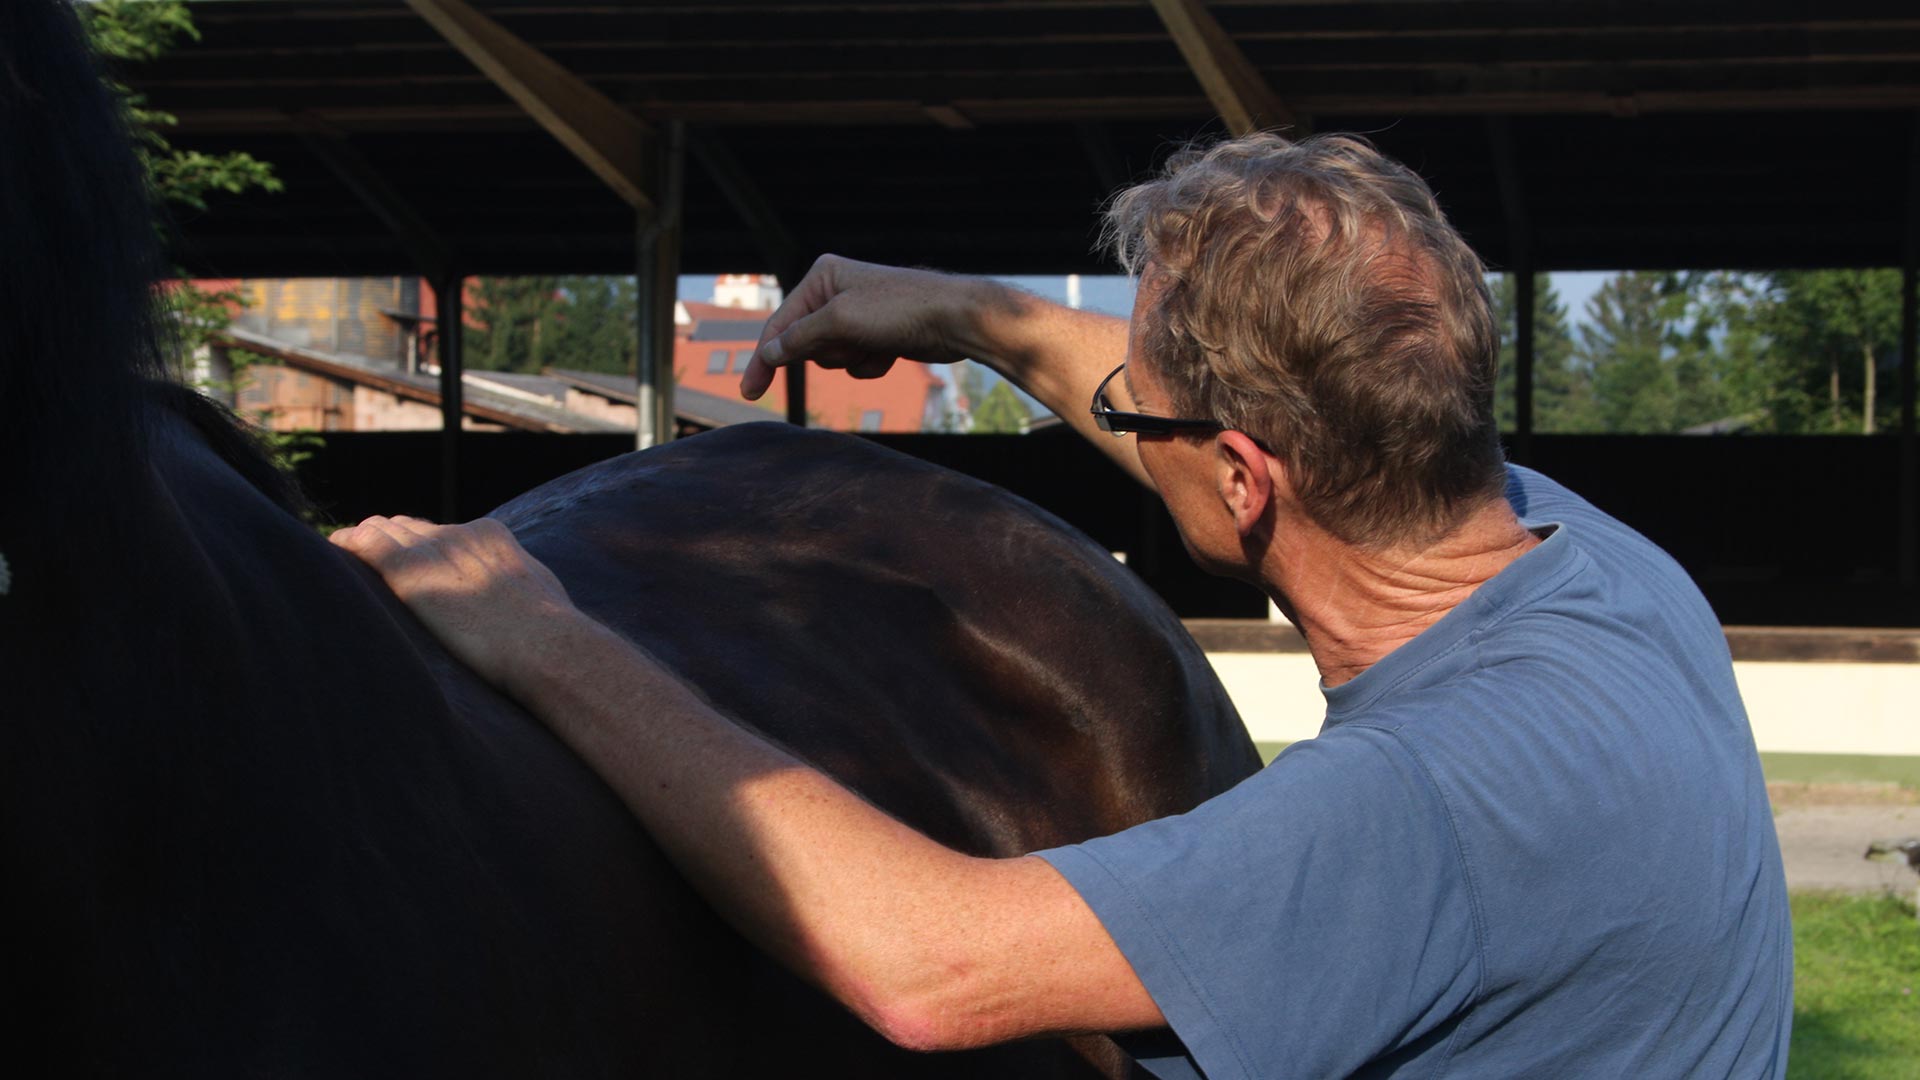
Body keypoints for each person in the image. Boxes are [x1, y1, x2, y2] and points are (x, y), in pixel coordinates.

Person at [333, 133, 1792, 1078]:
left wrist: (542, 636)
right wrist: (978, 316)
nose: (1120, 419)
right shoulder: (1609, 570)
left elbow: (931, 968)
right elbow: (1264, 416)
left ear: (1243, 478)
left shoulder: (1417, 816)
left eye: (1138, 416)